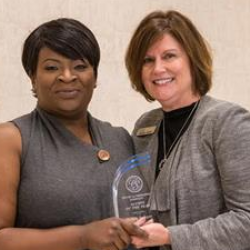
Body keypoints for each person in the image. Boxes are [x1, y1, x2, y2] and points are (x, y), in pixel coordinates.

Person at [0, 18, 148, 250]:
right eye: (52, 67)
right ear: (32, 77)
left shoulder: (120, 138)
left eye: (80, 66)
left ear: (95, 76)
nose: (67, 76)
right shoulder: (11, 139)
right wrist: (82, 237)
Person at [125, 10, 250, 250]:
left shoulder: (228, 122)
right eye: (147, 60)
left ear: (192, 59)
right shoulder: (144, 127)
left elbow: (247, 221)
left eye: (169, 56)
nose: (158, 69)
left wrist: (170, 237)